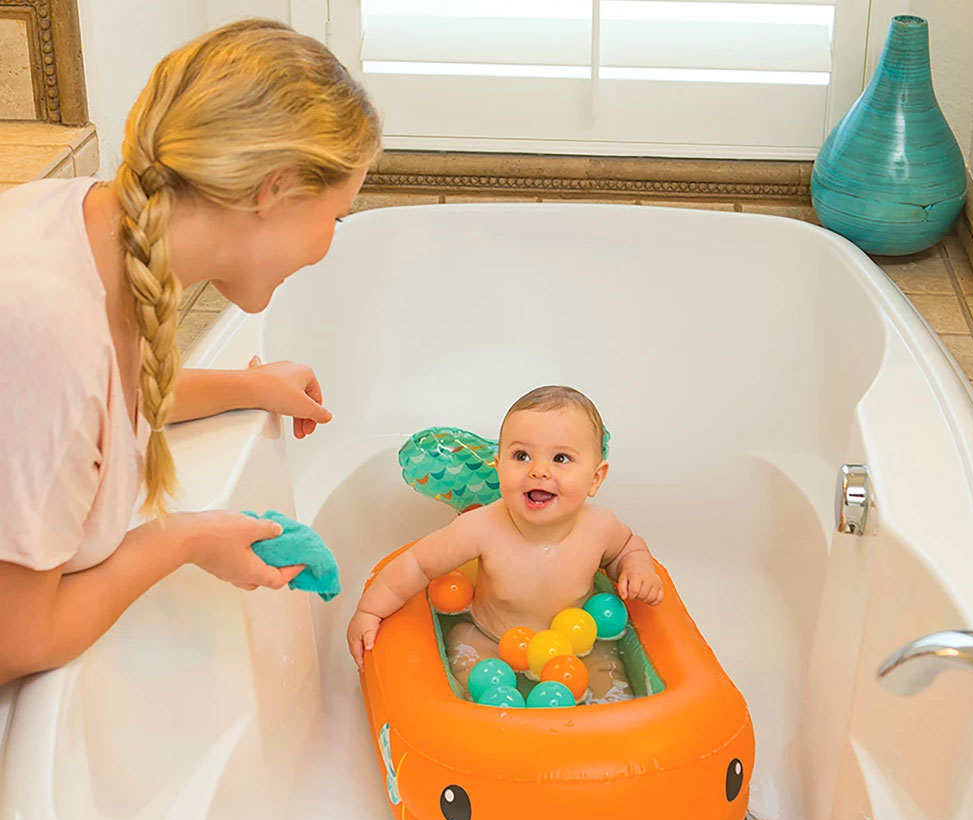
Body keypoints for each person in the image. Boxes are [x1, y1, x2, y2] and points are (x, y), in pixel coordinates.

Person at [0, 19, 380, 686]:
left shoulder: (85, 222)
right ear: (275, 190)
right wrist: (184, 539)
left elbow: (79, 419)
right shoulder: (46, 322)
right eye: (337, 216)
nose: (330, 243)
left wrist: (249, 387)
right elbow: (20, 638)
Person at [346, 386, 665, 702]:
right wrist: (370, 610)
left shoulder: (600, 528)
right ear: (499, 466)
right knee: (469, 664)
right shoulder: (480, 529)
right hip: (488, 640)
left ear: (595, 478)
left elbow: (627, 547)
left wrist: (637, 567)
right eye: (521, 455)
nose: (539, 470)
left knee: (608, 679)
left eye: (561, 458)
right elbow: (418, 563)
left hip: (575, 646)